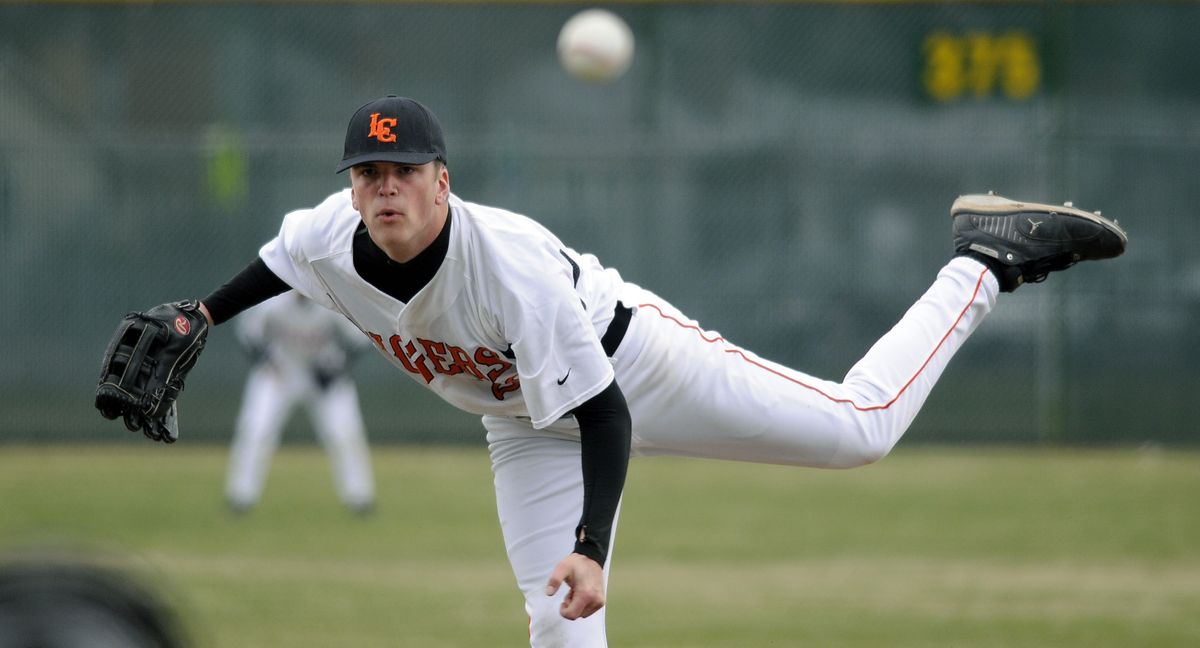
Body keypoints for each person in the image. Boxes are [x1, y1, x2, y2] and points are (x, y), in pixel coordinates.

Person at [191, 95, 1126, 647]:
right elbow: (275, 262)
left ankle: (983, 260)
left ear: (444, 179)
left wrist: (594, 546)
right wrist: (199, 316)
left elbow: (605, 416)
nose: (383, 187)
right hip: (520, 419)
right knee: (557, 621)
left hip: (631, 367)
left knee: (858, 429)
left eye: (403, 170)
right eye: (368, 173)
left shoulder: (507, 265)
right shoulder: (327, 233)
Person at [224, 291, 376, 515]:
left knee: (345, 432)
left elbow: (361, 337)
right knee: (256, 428)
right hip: (281, 371)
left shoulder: (331, 296)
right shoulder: (272, 299)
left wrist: (336, 364)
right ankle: (241, 496)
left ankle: (359, 497)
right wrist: (266, 359)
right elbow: (249, 333)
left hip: (322, 371)